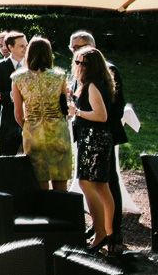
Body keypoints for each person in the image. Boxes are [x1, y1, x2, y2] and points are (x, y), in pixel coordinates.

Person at [69, 31, 131, 238]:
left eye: (78, 47)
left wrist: (98, 126)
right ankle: (100, 226)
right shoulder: (80, 71)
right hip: (87, 133)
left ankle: (113, 232)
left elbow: (115, 106)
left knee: (107, 182)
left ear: (91, 46)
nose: (75, 52)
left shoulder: (106, 70)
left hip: (101, 134)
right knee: (94, 182)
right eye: (72, 48)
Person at [69, 46, 118, 255]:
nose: (78, 66)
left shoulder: (92, 86)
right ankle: (109, 232)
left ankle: (100, 232)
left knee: (87, 183)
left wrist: (77, 111)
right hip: (98, 138)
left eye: (82, 63)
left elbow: (101, 115)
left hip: (94, 140)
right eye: (77, 62)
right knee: (101, 186)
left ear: (92, 66)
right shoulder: (96, 83)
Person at [11, 36, 72, 190]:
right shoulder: (60, 76)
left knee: (39, 179)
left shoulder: (18, 78)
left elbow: (18, 114)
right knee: (60, 179)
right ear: (48, 54)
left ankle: (44, 212)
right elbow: (64, 107)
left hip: (33, 131)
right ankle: (59, 212)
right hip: (57, 130)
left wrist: (29, 125)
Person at [0, 31, 26, 156]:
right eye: (22, 46)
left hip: (31, 125)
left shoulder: (32, 66)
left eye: (26, 45)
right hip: (8, 125)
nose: (25, 48)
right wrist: (14, 94)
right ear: (10, 47)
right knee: (7, 165)